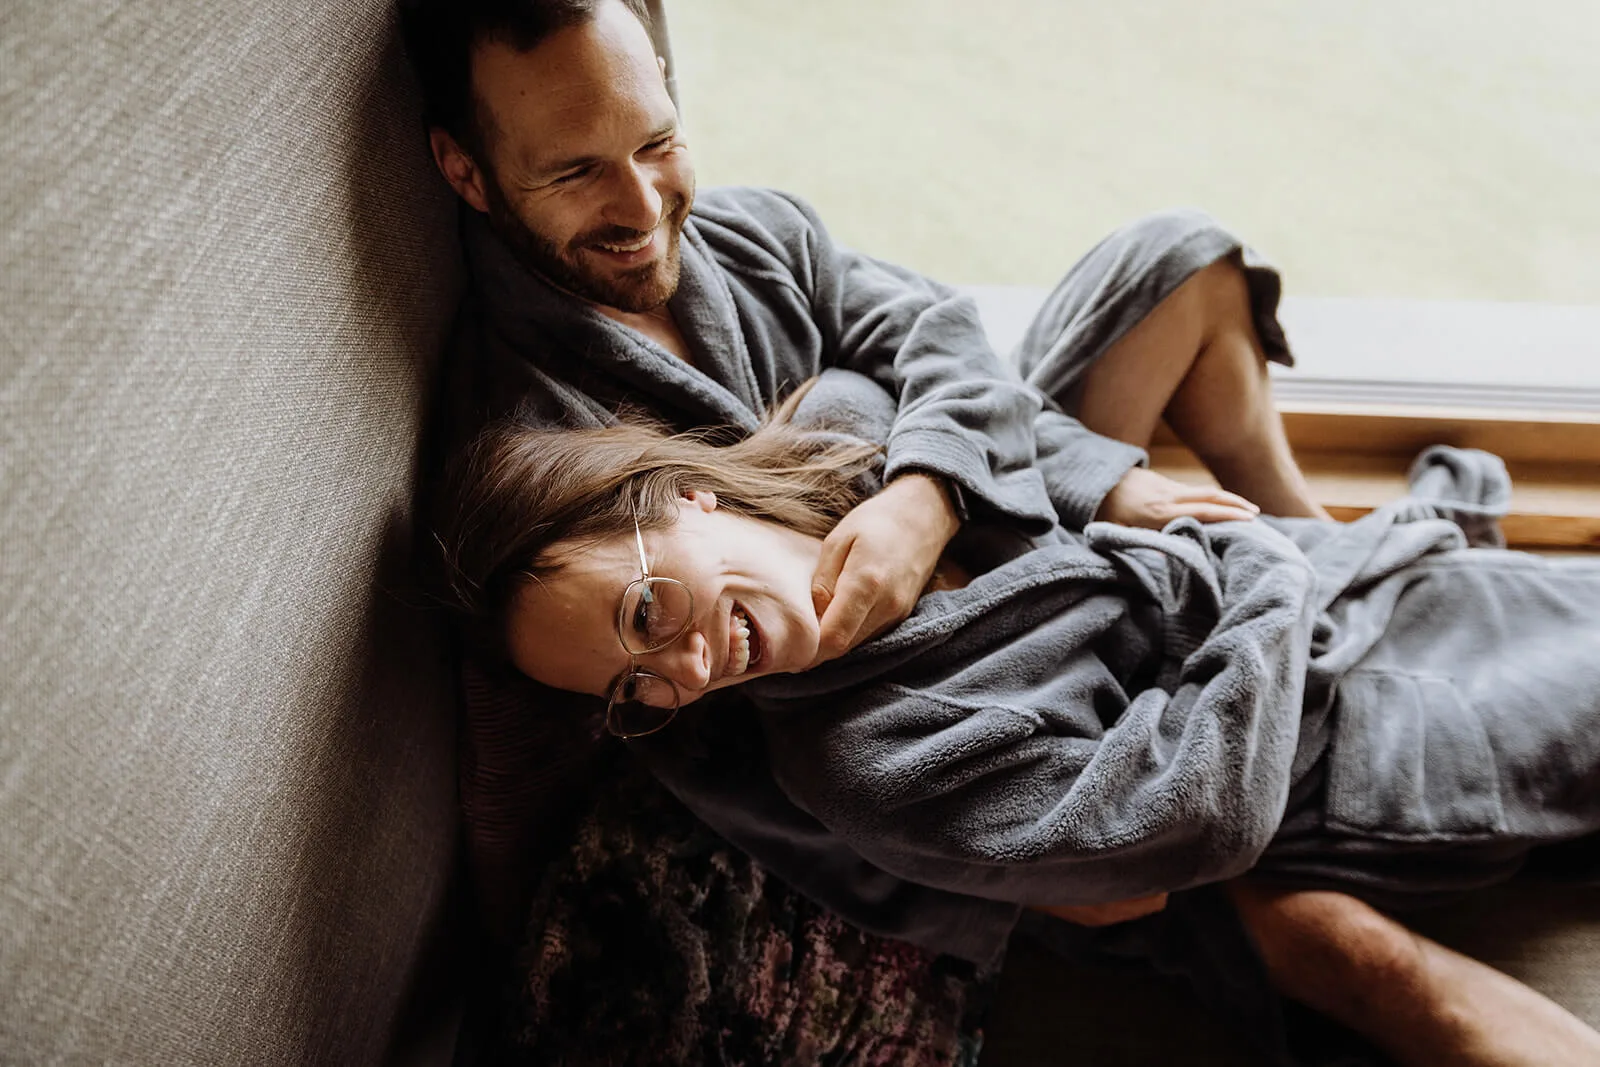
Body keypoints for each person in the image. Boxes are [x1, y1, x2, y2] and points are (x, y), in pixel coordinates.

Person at [396, 0, 1493, 1060]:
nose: (641, 204)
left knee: (1180, 263)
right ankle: (1314, 598)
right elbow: (675, 735)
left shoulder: (748, 233)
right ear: (466, 170)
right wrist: (1000, 881)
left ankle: (1308, 531)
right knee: (1349, 951)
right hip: (957, 733)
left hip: (987, 520)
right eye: (573, 173)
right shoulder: (535, 463)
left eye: (656, 141)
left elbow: (934, 329)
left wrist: (959, 493)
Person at [433, 384, 1600, 1067]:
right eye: (633, 688)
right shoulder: (865, 762)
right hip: (1338, 736)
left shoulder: (847, 438)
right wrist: (1256, 567)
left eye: (646, 610)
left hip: (1359, 593)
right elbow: (1202, 816)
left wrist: (1032, 484)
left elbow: (970, 377)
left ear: (682, 497)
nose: (686, 669)